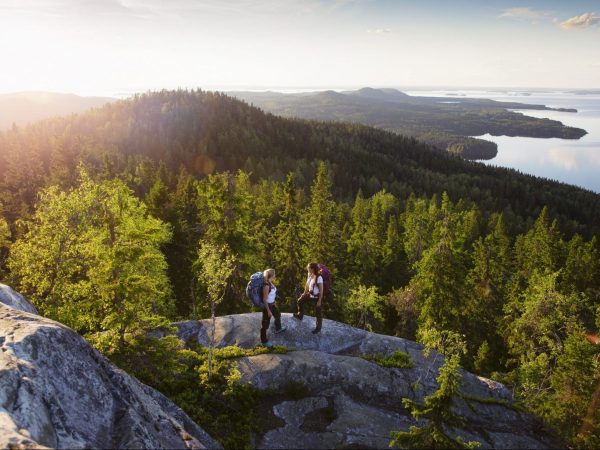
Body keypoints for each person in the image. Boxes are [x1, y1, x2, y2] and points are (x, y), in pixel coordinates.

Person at [293, 262, 324, 334]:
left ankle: (318, 328)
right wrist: (304, 294)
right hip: (310, 294)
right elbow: (307, 286)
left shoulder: (319, 277)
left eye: (309, 268)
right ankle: (300, 315)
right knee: (300, 301)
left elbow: (321, 290)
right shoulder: (310, 275)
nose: (307, 269)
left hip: (317, 297)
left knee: (318, 312)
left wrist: (319, 300)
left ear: (313, 269)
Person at [260, 268, 286, 347]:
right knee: (265, 325)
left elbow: (271, 295)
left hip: (272, 304)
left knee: (278, 315)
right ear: (272, 275)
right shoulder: (266, 285)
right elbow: (264, 299)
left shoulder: (270, 282)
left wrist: (274, 302)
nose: (275, 275)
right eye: (274, 274)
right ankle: (264, 341)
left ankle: (278, 328)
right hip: (267, 306)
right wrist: (268, 311)